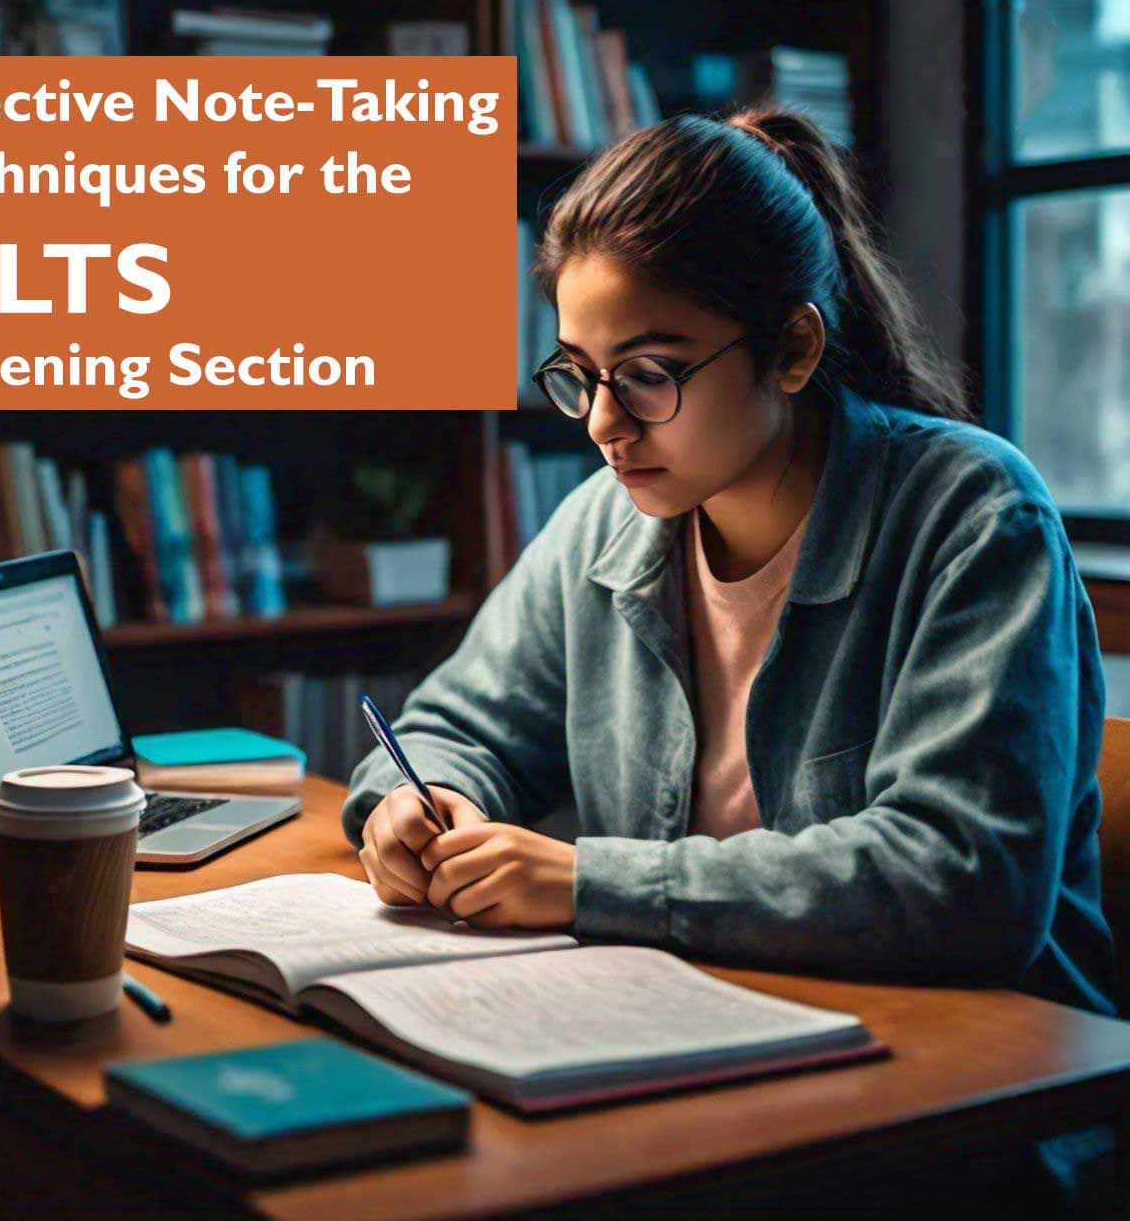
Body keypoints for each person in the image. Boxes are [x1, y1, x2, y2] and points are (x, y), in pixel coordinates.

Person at [341, 107, 1117, 1210]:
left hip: (956, 1121)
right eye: (577, 374)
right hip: (695, 1065)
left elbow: (961, 879)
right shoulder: (599, 528)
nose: (604, 424)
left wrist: (587, 882)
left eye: (648, 372)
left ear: (793, 347)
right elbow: (447, 727)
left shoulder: (970, 516)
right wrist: (418, 802)